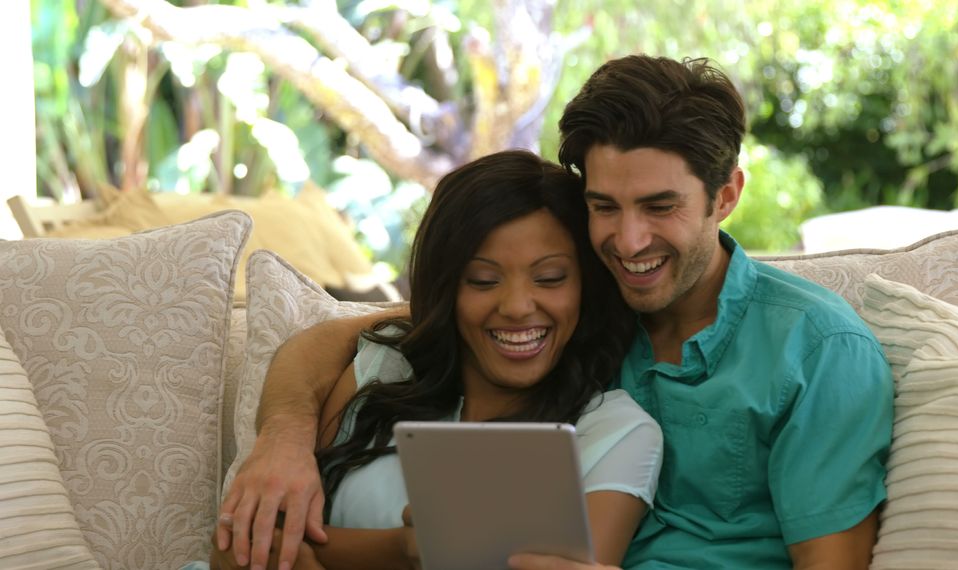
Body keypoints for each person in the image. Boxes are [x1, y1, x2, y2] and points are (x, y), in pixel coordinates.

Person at [222, 55, 893, 570]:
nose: (629, 243)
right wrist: (283, 439)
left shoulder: (817, 349)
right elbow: (357, 331)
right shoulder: (578, 303)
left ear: (725, 196)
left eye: (660, 207)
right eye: (605, 206)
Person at [210, 150, 662, 569]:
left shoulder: (616, 432)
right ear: (446, 289)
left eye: (550, 278)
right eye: (482, 280)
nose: (518, 306)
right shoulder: (383, 369)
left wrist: (328, 555)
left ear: (585, 285)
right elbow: (241, 551)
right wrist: (403, 547)